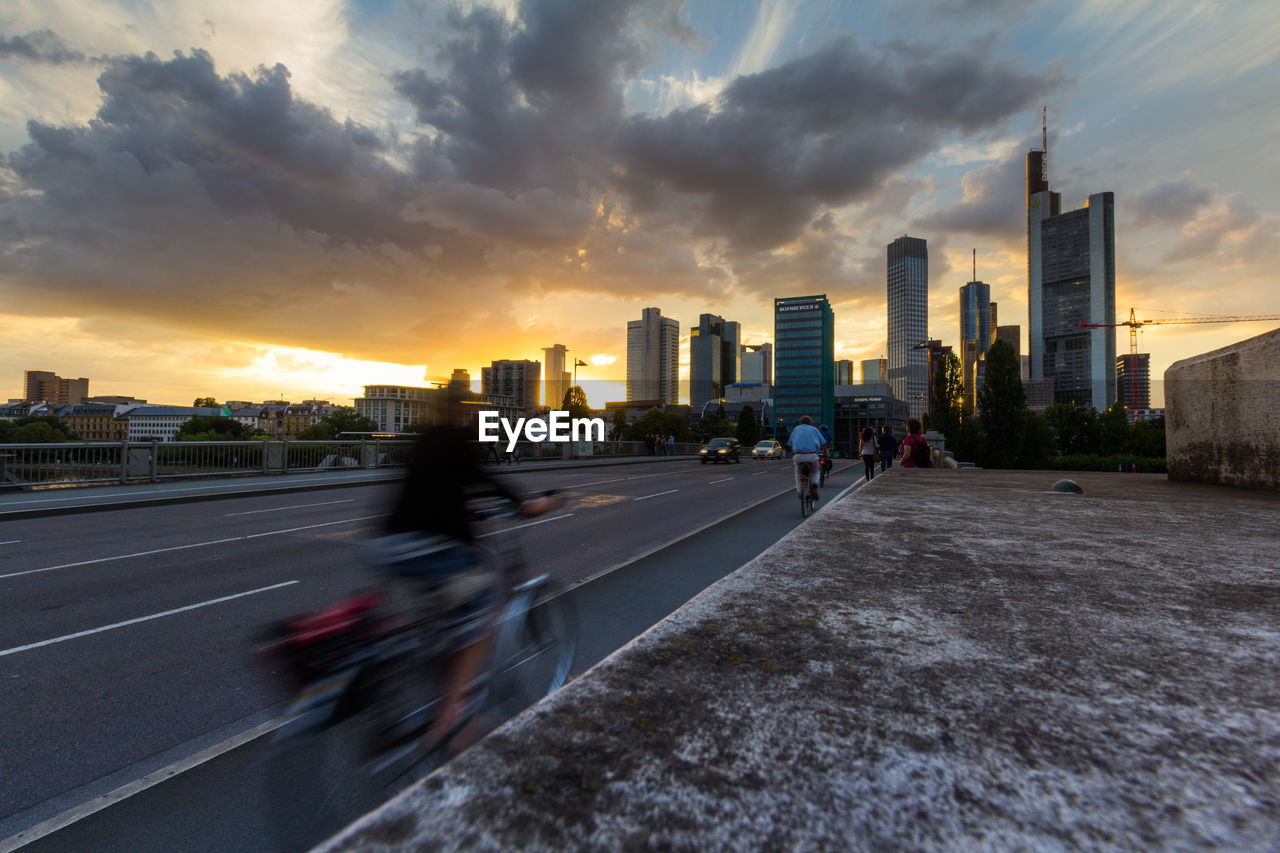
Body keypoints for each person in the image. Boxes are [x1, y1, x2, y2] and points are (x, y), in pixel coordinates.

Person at [378, 393, 553, 754]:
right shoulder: (458, 441)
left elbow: (436, 491)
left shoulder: (424, 440)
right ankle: (453, 721)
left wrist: (464, 509)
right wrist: (531, 505)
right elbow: (491, 482)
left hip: (388, 543)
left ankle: (437, 685)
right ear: (460, 413)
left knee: (445, 621)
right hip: (428, 548)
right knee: (483, 615)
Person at [787, 415, 825, 499]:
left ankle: (800, 491)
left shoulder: (796, 429)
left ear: (800, 422)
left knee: (798, 472)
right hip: (812, 455)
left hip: (799, 456)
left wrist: (794, 454)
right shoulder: (814, 429)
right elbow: (823, 443)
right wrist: (824, 454)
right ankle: (814, 485)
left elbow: (790, 444)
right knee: (816, 471)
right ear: (810, 422)